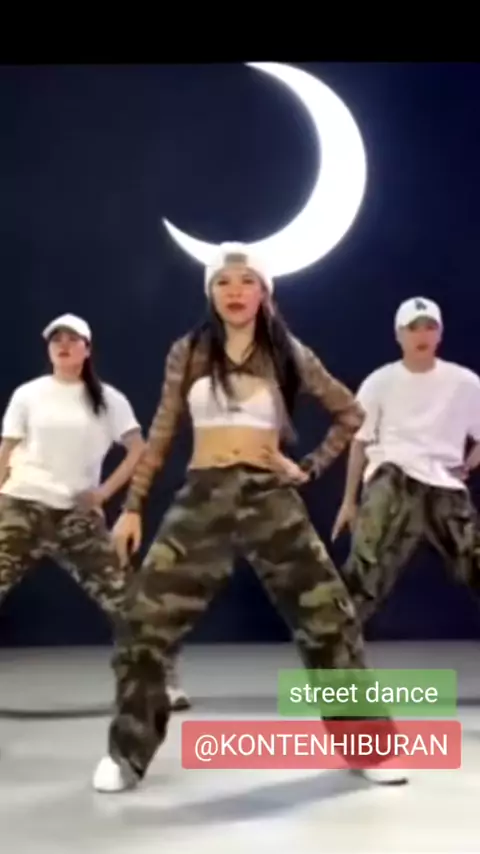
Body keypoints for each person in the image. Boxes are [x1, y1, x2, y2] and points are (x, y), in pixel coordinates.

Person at [93, 244, 407, 793]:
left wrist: (308, 467)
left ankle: (369, 747)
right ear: (211, 293)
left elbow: (351, 413)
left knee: (329, 619)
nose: (235, 292)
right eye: (223, 282)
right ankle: (128, 751)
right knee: (144, 622)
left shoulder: (287, 351)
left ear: (264, 292)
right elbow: (162, 430)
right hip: (203, 496)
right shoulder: (190, 350)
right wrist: (133, 507)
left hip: (269, 496)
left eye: (246, 281)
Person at [332, 296, 480, 624]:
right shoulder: (379, 382)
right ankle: (335, 645)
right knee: (367, 566)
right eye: (413, 328)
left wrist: (468, 465)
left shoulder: (465, 383)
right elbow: (360, 442)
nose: (422, 335)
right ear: (399, 335)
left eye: (429, 327)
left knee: (473, 558)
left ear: (439, 334)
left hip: (443, 483)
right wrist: (349, 502)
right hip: (393, 477)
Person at [0, 313, 145, 646]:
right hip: (22, 504)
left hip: (76, 513)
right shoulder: (28, 394)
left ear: (87, 348)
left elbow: (138, 449)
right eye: (56, 340)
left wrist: (103, 493)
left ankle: (151, 669)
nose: (63, 346)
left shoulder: (109, 399)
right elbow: (6, 450)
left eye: (72, 339)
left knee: (126, 597)